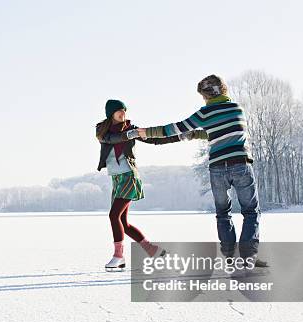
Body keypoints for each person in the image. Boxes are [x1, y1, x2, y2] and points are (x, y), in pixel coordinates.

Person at [137, 75, 266, 266]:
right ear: (223, 90)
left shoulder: (204, 114)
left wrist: (147, 132)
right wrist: (195, 135)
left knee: (223, 213)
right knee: (251, 211)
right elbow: (223, 131)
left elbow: (176, 128)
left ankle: (230, 256)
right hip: (240, 164)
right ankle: (248, 257)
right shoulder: (236, 109)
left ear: (206, 96)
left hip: (217, 169)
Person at [96, 99, 206, 270]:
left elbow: (156, 140)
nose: (123, 114)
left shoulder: (132, 129)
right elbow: (110, 139)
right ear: (110, 113)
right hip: (116, 179)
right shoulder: (102, 130)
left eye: (124, 110)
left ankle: (118, 256)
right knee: (123, 224)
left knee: (113, 215)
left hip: (129, 177)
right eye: (119, 111)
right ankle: (154, 251)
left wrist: (181, 136)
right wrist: (127, 136)